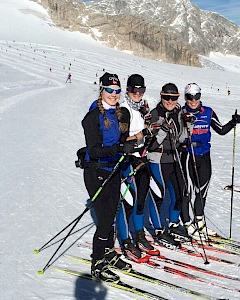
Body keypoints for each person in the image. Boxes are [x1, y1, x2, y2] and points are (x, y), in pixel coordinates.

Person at [82, 72, 137, 282]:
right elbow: (95, 150)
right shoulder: (92, 117)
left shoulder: (121, 114)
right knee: (104, 221)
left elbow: (122, 141)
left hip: (114, 170)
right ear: (102, 90)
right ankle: (97, 264)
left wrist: (134, 146)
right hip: (96, 171)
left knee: (112, 215)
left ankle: (108, 253)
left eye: (116, 91)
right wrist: (121, 147)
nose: (113, 94)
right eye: (109, 90)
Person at [180, 83, 240, 239]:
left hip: (205, 154)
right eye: (190, 97)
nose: (193, 101)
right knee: (187, 190)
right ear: (185, 97)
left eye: (197, 97)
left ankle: (199, 222)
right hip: (188, 154)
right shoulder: (180, 112)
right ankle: (187, 224)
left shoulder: (208, 112)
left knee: (202, 190)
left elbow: (220, 130)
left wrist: (233, 122)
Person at [115, 74, 160, 261]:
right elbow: (121, 139)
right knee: (128, 202)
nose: (137, 93)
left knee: (141, 200)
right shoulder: (124, 110)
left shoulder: (141, 108)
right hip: (127, 160)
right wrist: (142, 135)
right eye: (134, 90)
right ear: (127, 90)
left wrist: (150, 133)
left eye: (141, 90)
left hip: (141, 159)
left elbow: (144, 134)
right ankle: (125, 241)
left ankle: (139, 234)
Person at [146, 83, 190, 249]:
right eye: (167, 98)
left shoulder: (179, 113)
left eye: (174, 98)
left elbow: (180, 139)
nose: (170, 101)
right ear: (161, 96)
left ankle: (172, 225)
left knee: (180, 193)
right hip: (158, 159)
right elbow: (151, 144)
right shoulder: (155, 114)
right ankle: (158, 230)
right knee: (158, 195)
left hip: (174, 158)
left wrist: (188, 126)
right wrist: (163, 129)